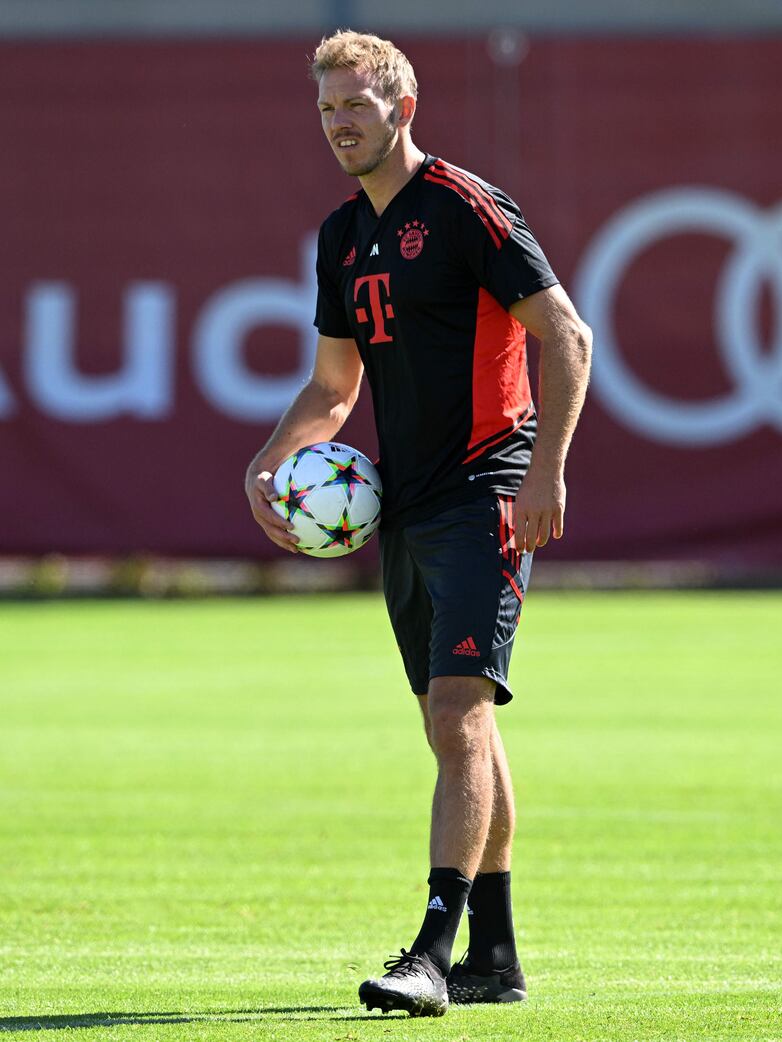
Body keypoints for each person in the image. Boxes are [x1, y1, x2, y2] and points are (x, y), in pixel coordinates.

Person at [245, 29, 592, 1018]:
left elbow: (565, 335)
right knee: (461, 727)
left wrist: (546, 472)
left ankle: (432, 955)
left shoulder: (464, 207)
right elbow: (330, 384)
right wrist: (269, 459)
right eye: (325, 109)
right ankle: (497, 958)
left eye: (354, 104)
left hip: (486, 490)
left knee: (455, 715)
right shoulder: (339, 236)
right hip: (404, 503)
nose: (339, 123)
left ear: (402, 106)